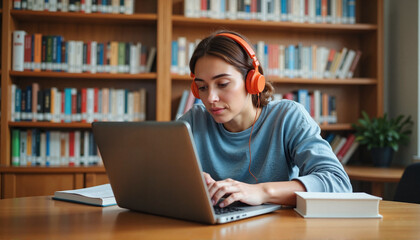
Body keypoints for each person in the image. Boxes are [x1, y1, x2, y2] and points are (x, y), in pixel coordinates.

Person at [178, 30, 352, 208]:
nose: (210, 98)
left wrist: (261, 192)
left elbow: (338, 183)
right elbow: (154, 177)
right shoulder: (192, 121)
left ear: (252, 80)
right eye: (202, 87)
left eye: (222, 84)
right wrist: (185, 180)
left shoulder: (287, 117)